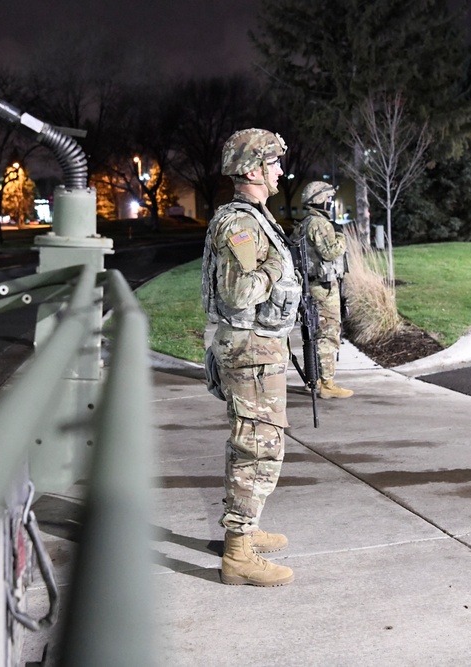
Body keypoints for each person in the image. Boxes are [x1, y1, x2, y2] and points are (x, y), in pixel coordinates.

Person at [201, 128, 300, 587]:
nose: (280, 170)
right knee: (258, 447)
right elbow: (239, 293)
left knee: (254, 442)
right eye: (274, 163)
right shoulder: (241, 224)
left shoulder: (254, 218)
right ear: (253, 169)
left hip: (257, 349)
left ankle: (246, 526)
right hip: (251, 352)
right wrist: (277, 268)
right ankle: (238, 552)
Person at [292, 181, 354, 399]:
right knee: (328, 334)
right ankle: (327, 384)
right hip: (323, 289)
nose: (330, 203)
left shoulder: (305, 223)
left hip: (313, 286)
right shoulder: (319, 223)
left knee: (315, 335)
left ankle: (314, 380)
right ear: (319, 200)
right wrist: (341, 236)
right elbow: (330, 252)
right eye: (328, 199)